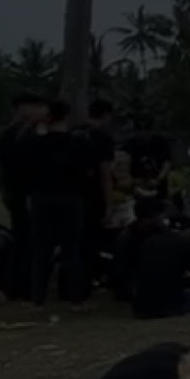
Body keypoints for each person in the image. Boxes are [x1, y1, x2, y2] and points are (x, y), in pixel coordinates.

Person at [26, 99, 92, 308]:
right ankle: (75, 297)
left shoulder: (35, 143)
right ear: (66, 116)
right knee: (72, 248)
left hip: (41, 198)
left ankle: (38, 297)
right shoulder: (78, 142)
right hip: (70, 197)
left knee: (41, 249)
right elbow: (87, 171)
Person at [0, 92, 46, 300]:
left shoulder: (13, 133)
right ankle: (25, 285)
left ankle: (22, 284)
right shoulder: (21, 134)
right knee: (28, 240)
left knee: (26, 239)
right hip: (25, 193)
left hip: (18, 192)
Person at [77, 99, 116, 290]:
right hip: (94, 194)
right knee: (94, 238)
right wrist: (109, 204)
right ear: (106, 115)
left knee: (77, 238)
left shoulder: (74, 134)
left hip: (74, 194)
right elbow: (105, 173)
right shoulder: (103, 138)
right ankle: (93, 275)